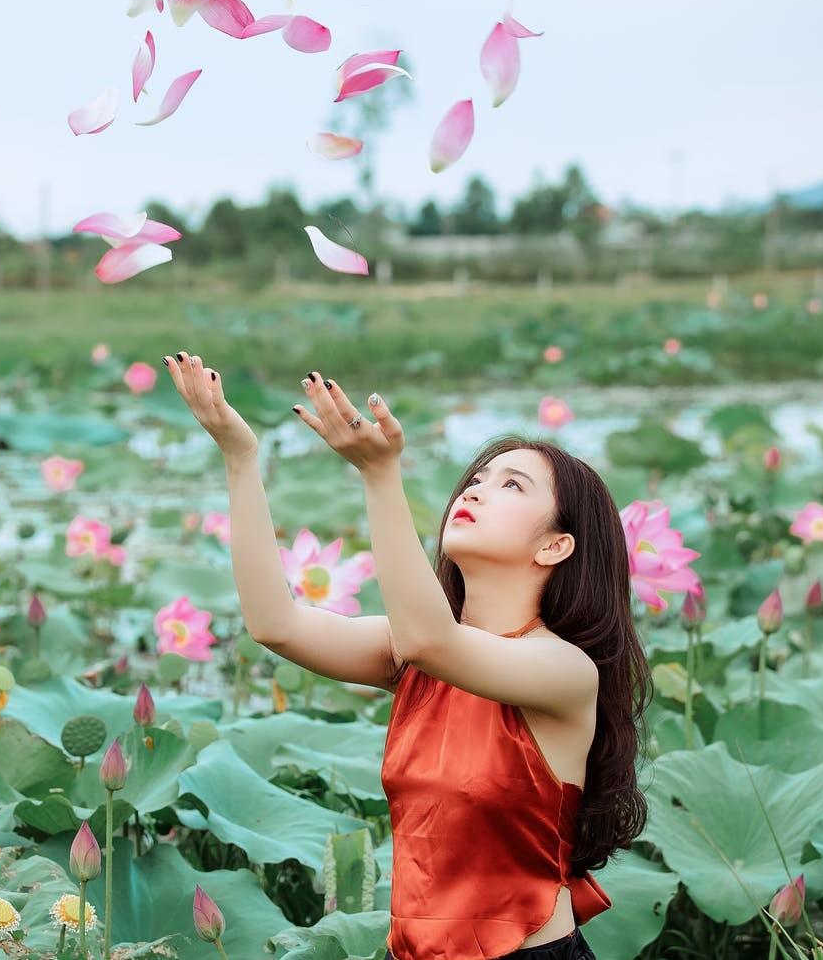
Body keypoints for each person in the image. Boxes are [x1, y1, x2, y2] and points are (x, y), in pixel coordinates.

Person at [163, 351, 649, 960]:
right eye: (476, 478)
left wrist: (379, 474)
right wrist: (240, 455)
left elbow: (432, 640)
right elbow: (275, 623)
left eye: (512, 485)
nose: (476, 489)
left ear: (555, 545)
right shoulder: (413, 654)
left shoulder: (564, 670)